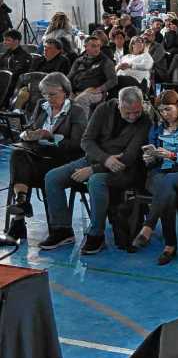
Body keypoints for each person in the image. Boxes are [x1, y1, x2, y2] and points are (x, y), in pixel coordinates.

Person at [41, 87, 151, 253]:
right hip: (95, 160)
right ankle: (62, 230)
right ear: (119, 105)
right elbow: (86, 141)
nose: (133, 117)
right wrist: (105, 160)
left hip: (126, 170)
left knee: (96, 180)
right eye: (128, 112)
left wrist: (94, 169)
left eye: (136, 112)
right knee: (52, 177)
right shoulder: (104, 109)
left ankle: (96, 235)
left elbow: (130, 156)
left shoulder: (145, 120)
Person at [4, 73, 89, 241]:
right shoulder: (41, 105)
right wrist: (29, 133)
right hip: (37, 155)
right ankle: (22, 203)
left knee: (22, 164)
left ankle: (19, 222)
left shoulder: (76, 111)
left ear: (65, 91)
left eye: (52, 94)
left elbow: (79, 144)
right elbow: (31, 127)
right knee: (18, 153)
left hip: (63, 160)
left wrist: (51, 137)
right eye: (44, 94)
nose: (48, 98)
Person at [132, 90, 178, 265]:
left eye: (168, 109)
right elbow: (152, 160)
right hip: (159, 172)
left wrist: (172, 155)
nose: (165, 114)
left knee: (167, 183)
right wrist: (150, 158)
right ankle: (169, 246)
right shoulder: (157, 128)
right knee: (167, 191)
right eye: (161, 110)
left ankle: (149, 227)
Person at [68, 36, 117, 108]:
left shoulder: (106, 61)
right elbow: (70, 76)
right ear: (85, 47)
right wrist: (67, 88)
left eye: (98, 46)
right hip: (75, 90)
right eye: (94, 46)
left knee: (81, 100)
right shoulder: (79, 61)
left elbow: (113, 80)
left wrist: (99, 89)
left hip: (95, 92)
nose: (97, 49)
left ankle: (80, 118)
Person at [0, 29, 34, 99]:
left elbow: (15, 75)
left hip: (13, 86)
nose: (4, 42)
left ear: (16, 41)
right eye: (4, 40)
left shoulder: (25, 57)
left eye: (7, 40)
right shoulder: (7, 53)